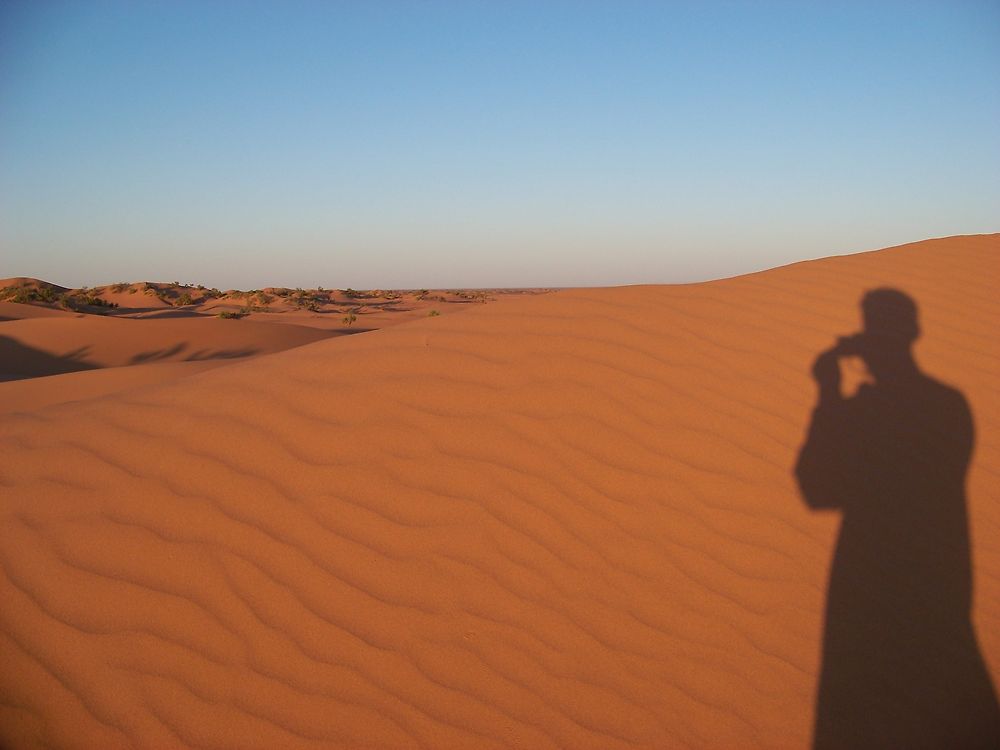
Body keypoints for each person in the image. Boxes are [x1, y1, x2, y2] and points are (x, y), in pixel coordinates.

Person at [795, 288, 1000, 749]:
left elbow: (816, 488)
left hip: (871, 598)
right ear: (914, 334)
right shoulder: (951, 405)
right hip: (940, 590)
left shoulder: (864, 413)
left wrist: (829, 394)